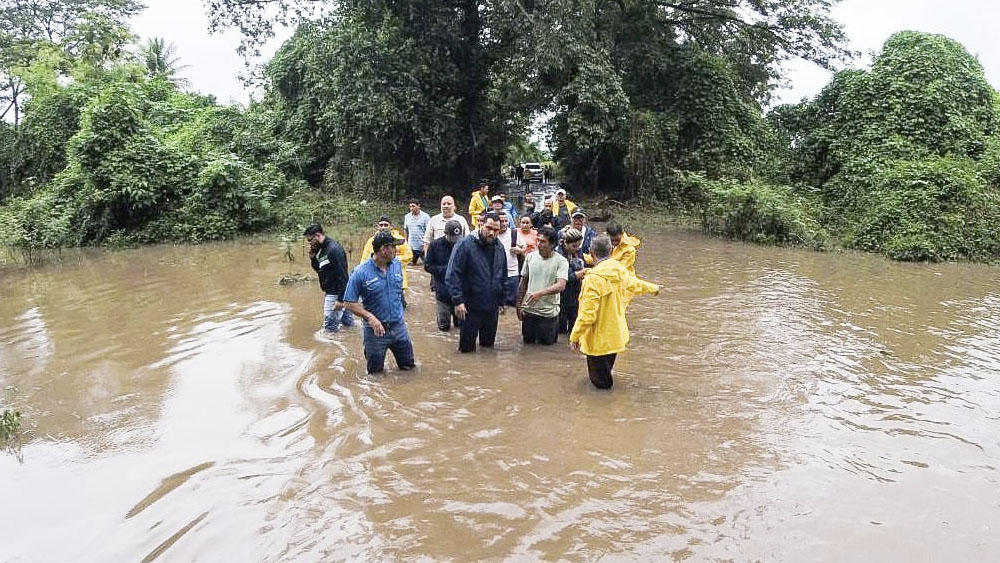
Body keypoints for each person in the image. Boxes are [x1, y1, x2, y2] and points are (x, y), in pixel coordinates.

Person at [569, 235, 661, 389]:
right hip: (615, 336)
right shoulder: (619, 271)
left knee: (600, 385)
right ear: (611, 250)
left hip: (598, 341)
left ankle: (602, 410)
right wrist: (653, 287)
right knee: (605, 374)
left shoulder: (592, 279)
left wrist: (575, 337)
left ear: (591, 252)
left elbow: (587, 315)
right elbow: (634, 284)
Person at [343, 231, 416, 374]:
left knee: (409, 369)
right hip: (375, 332)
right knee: (375, 374)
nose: (396, 250)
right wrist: (370, 317)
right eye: (393, 247)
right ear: (383, 249)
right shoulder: (360, 272)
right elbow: (349, 302)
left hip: (399, 327)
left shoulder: (396, 264)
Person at [445, 212, 507, 353]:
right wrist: (458, 301)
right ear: (480, 224)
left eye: (496, 230)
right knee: (467, 350)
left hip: (492, 307)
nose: (492, 233)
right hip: (469, 306)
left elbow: (503, 274)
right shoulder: (464, 245)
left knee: (488, 347)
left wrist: (503, 300)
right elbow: (452, 274)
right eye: (489, 228)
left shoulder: (499, 247)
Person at [516, 226, 568, 345]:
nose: (539, 244)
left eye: (543, 241)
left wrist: (540, 293)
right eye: (538, 240)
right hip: (529, 312)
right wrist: (518, 304)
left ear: (552, 244)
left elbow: (561, 285)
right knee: (527, 349)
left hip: (548, 315)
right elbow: (523, 282)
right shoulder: (530, 257)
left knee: (546, 351)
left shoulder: (561, 261)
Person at [304, 224, 354, 334]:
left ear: (317, 236)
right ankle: (350, 343)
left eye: (310, 240)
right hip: (336, 291)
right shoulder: (322, 250)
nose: (309, 243)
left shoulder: (333, 249)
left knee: (329, 329)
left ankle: (331, 350)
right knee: (347, 324)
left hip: (335, 292)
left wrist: (340, 300)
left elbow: (343, 276)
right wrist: (313, 259)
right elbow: (321, 271)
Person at [424, 220, 464, 331]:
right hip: (442, 291)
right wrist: (447, 270)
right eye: (452, 237)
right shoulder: (434, 245)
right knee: (444, 327)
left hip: (460, 292)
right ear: (445, 234)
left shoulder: (463, 244)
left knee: (461, 325)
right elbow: (427, 266)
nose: (454, 241)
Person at [360, 216, 414, 294]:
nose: (383, 227)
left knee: (399, 303)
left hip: (397, 278)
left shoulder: (399, 239)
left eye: (386, 225)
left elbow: (409, 255)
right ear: (378, 227)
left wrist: (392, 259)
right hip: (376, 278)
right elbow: (364, 259)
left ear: (391, 227)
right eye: (381, 225)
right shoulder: (371, 241)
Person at [556, 228, 588, 334]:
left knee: (574, 327)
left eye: (579, 245)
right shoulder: (558, 254)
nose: (577, 248)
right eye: (574, 246)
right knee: (561, 329)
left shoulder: (577, 251)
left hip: (575, 294)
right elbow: (564, 276)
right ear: (565, 243)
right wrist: (582, 273)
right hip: (561, 296)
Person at [496, 212, 523, 306]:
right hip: (497, 274)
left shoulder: (514, 233)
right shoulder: (493, 234)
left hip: (513, 273)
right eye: (501, 221)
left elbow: (524, 248)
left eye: (506, 221)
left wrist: (519, 250)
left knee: (513, 303)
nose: (504, 223)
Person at [403, 198, 430, 265]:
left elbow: (429, 231)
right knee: (409, 265)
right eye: (410, 206)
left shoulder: (425, 217)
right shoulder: (407, 217)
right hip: (411, 246)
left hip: (422, 246)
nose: (411, 208)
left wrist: (426, 245)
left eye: (413, 206)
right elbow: (406, 231)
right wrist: (406, 244)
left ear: (418, 206)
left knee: (427, 265)